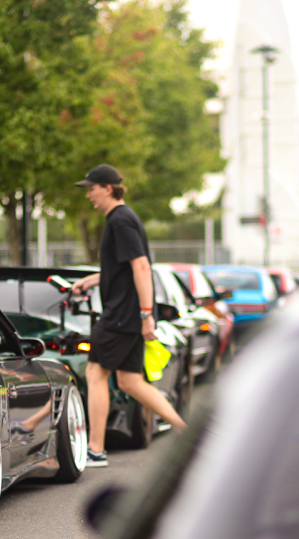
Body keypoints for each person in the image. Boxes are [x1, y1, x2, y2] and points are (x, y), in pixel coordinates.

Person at [70, 164, 187, 467]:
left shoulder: (120, 221)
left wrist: (147, 314)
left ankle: (95, 449)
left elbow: (141, 267)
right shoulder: (122, 219)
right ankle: (185, 431)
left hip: (121, 317)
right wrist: (92, 280)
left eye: (92, 189)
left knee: (96, 374)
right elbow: (121, 269)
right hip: (127, 315)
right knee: (130, 381)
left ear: (107, 188)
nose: (89, 196)